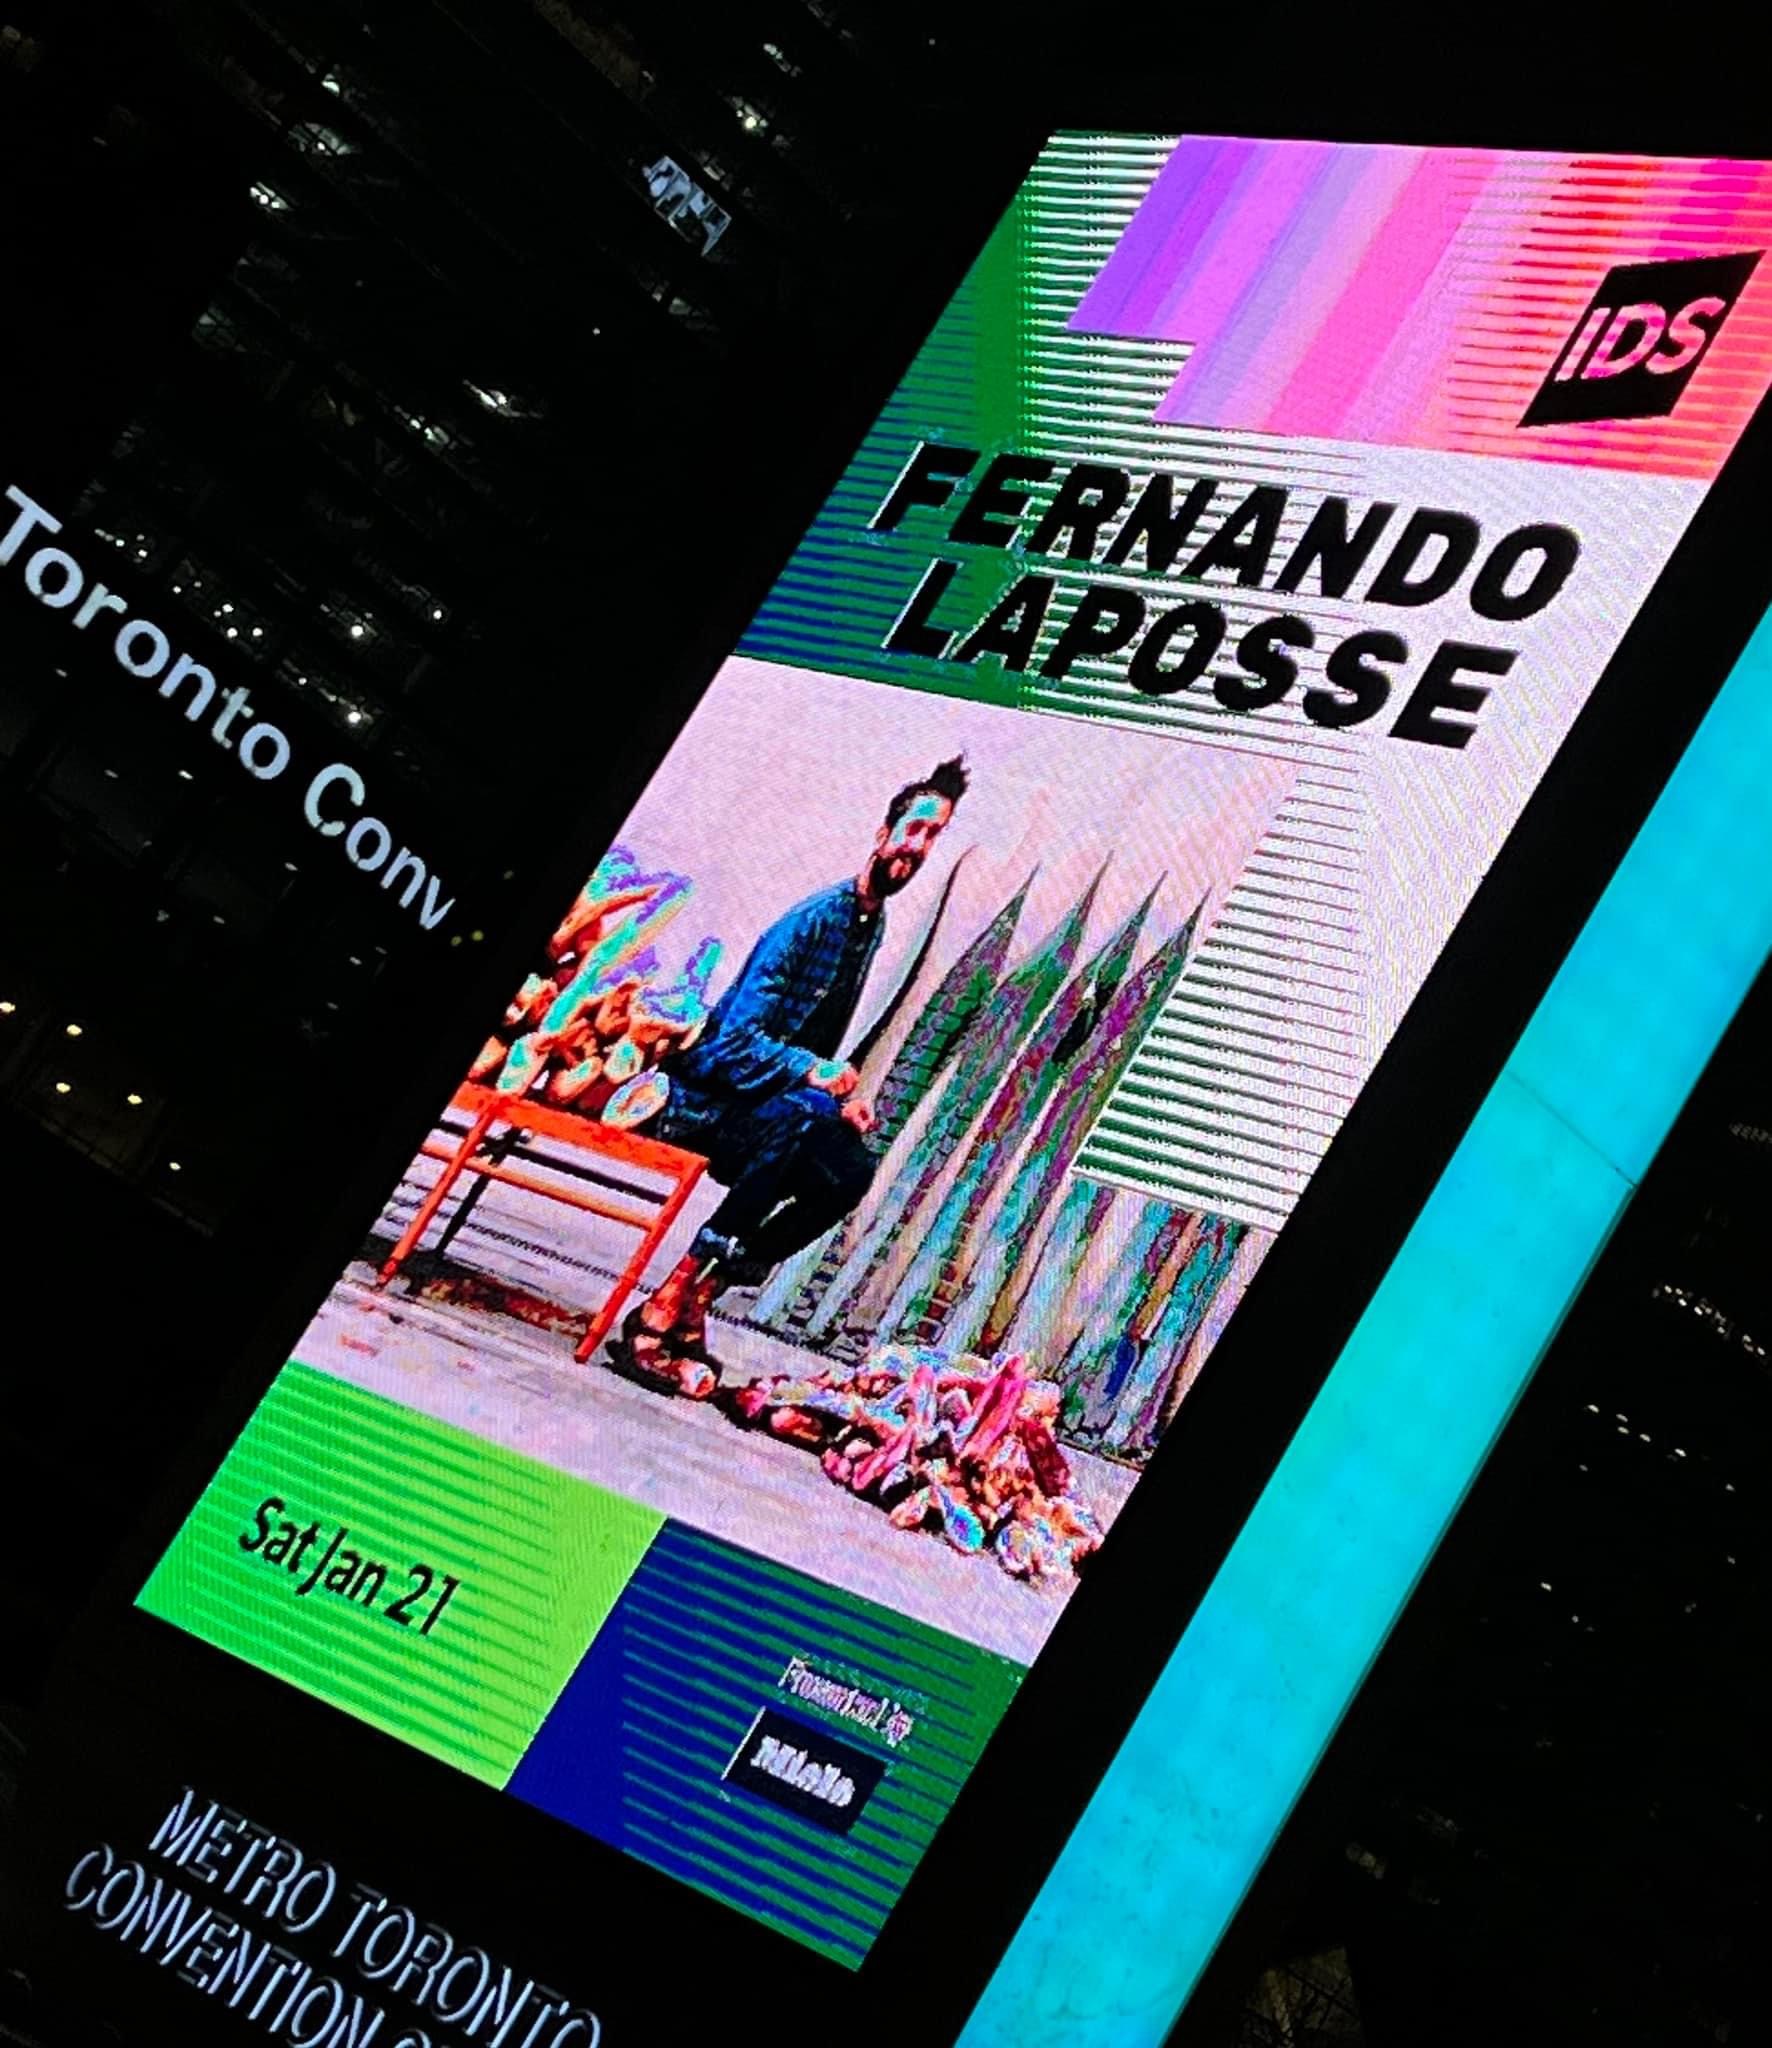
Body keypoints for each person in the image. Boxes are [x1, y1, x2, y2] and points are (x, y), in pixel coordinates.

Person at [608, 756, 969, 1397]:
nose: (918, 846)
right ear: (883, 833)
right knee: (804, 1116)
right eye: (913, 829)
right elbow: (728, 1046)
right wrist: (813, 1072)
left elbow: (809, 1066)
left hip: (767, 1113)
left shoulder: (870, 925)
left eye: (933, 835)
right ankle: (665, 1299)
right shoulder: (813, 922)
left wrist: (839, 1099)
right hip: (701, 1102)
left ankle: (703, 1294)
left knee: (850, 1170)